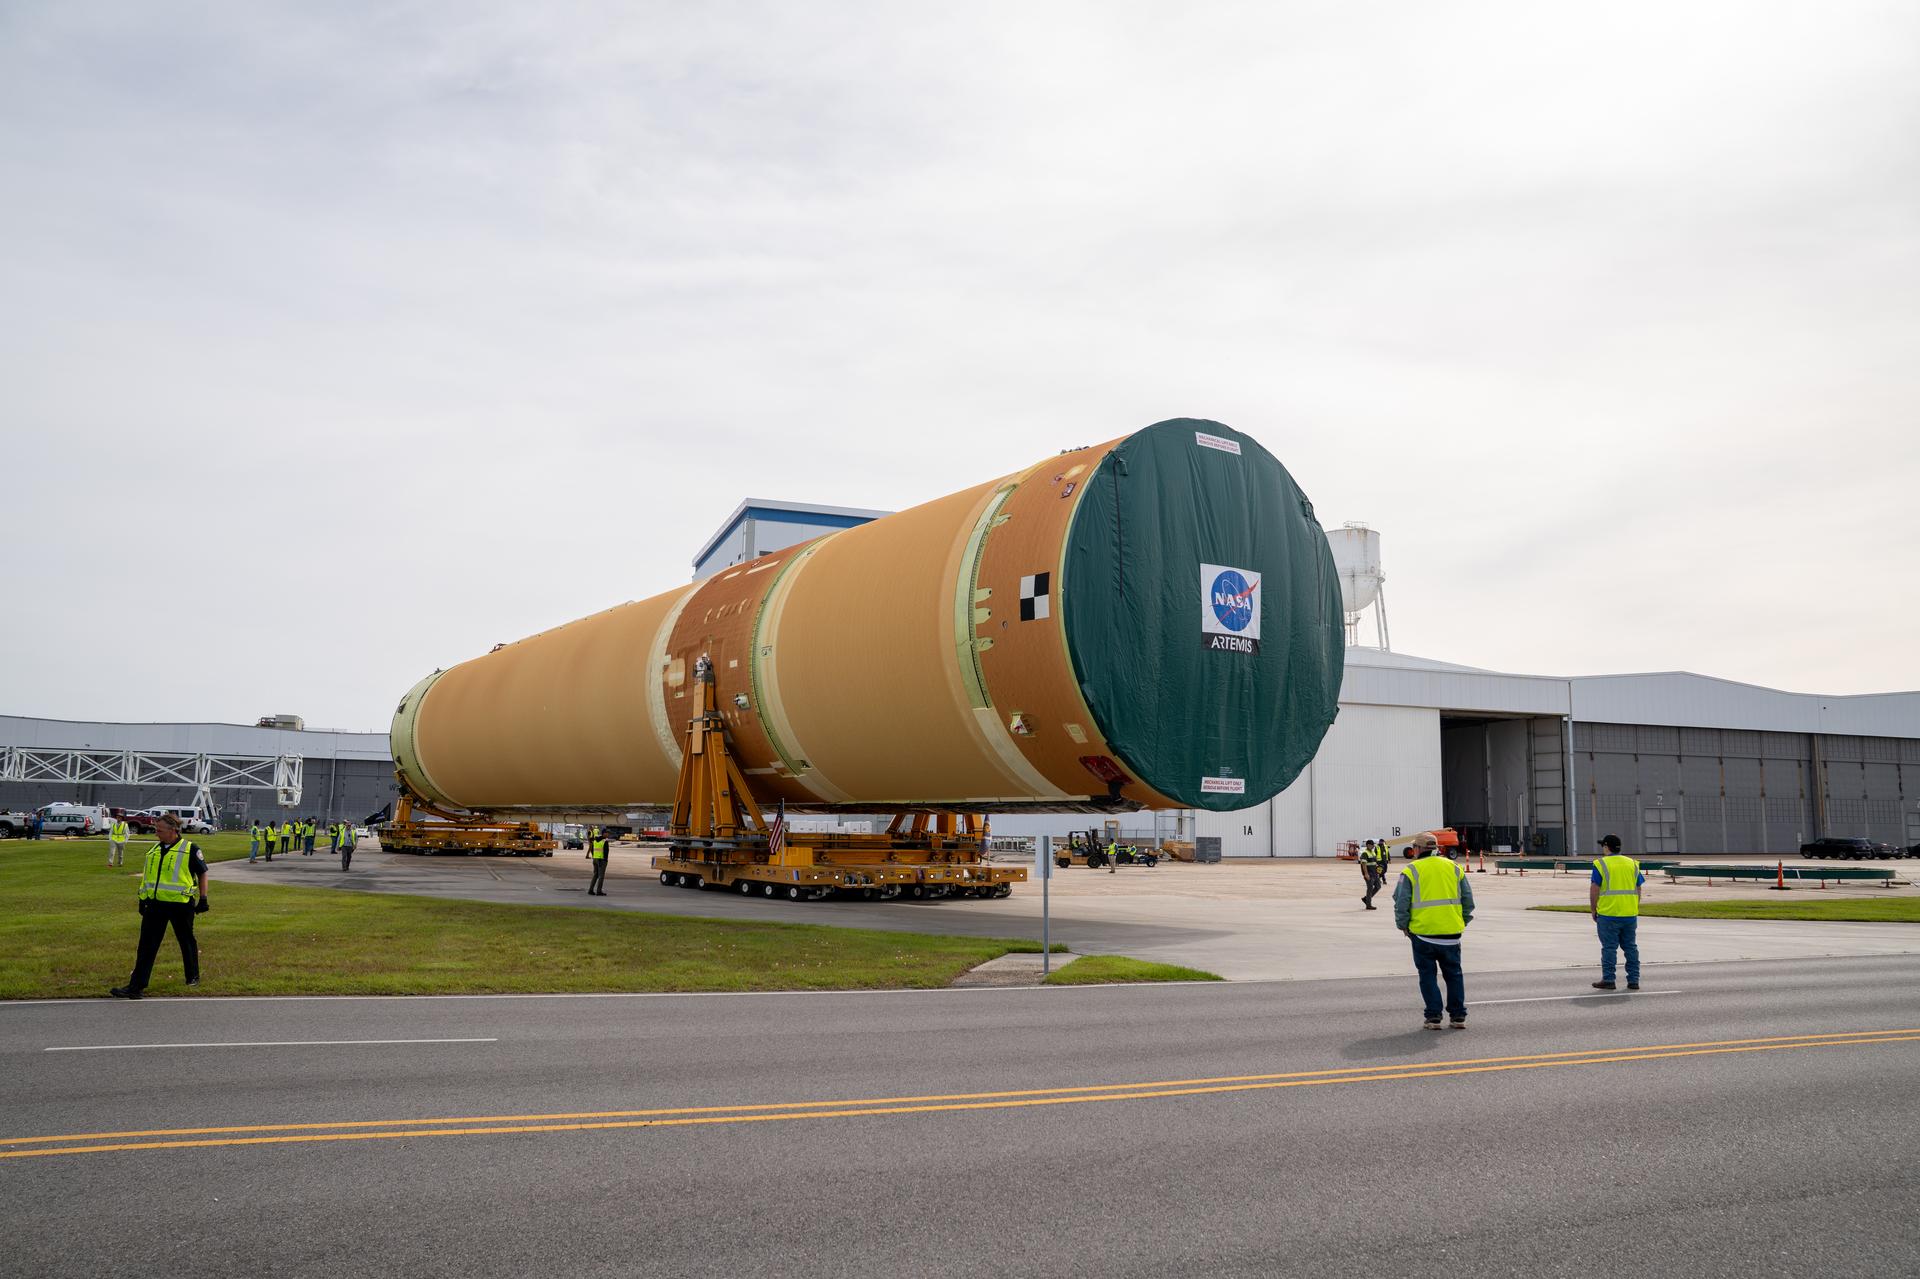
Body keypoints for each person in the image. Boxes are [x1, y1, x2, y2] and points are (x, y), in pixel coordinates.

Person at [111, 813, 208, 999]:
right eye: (156, 829)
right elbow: (148, 877)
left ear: (173, 830)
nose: (156, 833)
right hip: (155, 904)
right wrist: (142, 899)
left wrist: (203, 898)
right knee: (146, 945)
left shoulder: (189, 849)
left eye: (160, 830)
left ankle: (192, 976)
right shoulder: (154, 850)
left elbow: (203, 873)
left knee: (186, 941)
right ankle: (136, 986)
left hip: (181, 905)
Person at [1394, 833, 1475, 1029]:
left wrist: (1403, 926)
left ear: (1418, 849)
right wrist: (1460, 921)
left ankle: (1434, 1017)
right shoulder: (1454, 868)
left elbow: (1401, 902)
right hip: (1451, 934)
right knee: (1454, 975)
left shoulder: (1411, 870)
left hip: (1423, 935)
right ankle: (1458, 1017)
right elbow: (1468, 901)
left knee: (1428, 976)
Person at [1590, 834, 1643, 991]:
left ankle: (1609, 979)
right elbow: (1638, 887)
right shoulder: (1632, 864)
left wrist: (1593, 909)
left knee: (1609, 948)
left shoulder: (1601, 864)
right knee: (1631, 948)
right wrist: (1633, 906)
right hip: (1629, 913)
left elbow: (1594, 888)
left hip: (1609, 914)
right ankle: (1633, 980)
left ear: (1606, 847)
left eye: (1603, 846)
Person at [1359, 838, 1387, 910]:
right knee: (1370, 888)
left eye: (1373, 845)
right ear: (1368, 845)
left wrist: (1378, 868)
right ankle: (1368, 905)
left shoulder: (1373, 852)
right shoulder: (1365, 853)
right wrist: (1366, 874)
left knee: (1378, 886)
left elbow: (1374, 863)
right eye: (1371, 845)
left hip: (1374, 873)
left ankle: (1366, 899)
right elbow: (1364, 864)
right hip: (1369, 874)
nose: (1373, 846)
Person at [586, 826, 609, 895]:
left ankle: (590, 890)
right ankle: (599, 891)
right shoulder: (604, 841)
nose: (608, 834)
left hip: (595, 859)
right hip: (601, 860)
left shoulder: (595, 840)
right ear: (603, 834)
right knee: (601, 876)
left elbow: (592, 849)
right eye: (607, 833)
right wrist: (605, 860)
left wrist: (594, 857)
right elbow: (606, 852)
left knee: (595, 875)